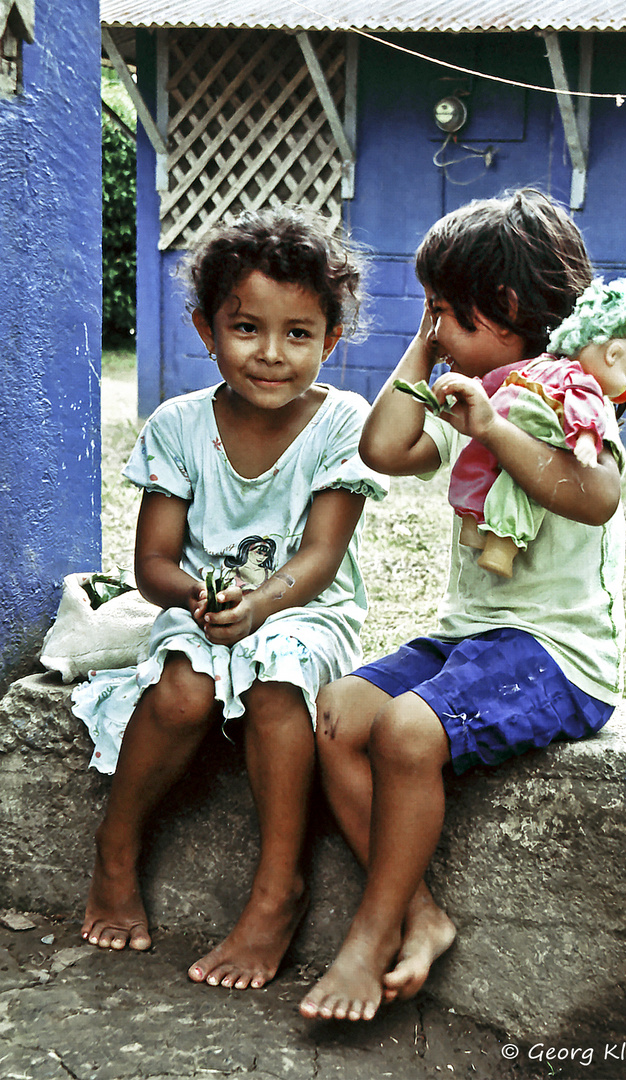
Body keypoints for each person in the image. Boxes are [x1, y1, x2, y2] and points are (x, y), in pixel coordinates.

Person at [299, 188, 626, 1022]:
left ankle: (370, 937)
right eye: (431, 312)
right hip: (471, 637)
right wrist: (428, 340)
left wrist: (491, 428)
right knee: (339, 711)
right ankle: (420, 912)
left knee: (408, 729)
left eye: (445, 310)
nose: (436, 328)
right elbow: (384, 448)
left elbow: (593, 497)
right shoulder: (473, 383)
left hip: (558, 657)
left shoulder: (569, 394)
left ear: (507, 308)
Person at [72, 207, 387, 991]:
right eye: (247, 328)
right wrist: (204, 595)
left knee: (279, 679)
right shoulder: (181, 426)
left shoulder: (344, 423)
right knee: (182, 688)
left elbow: (319, 558)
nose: (272, 355)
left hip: (308, 611)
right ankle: (116, 848)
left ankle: (277, 892)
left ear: (331, 340)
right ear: (205, 329)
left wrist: (261, 607)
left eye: (300, 334)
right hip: (205, 605)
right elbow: (153, 564)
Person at [449, 275, 626, 576]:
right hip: (510, 424)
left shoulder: (545, 367)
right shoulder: (581, 382)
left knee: (503, 482)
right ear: (613, 355)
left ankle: (496, 545)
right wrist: (585, 436)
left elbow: (503, 378)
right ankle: (478, 530)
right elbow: (582, 409)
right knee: (486, 471)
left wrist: (585, 439)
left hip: (514, 424)